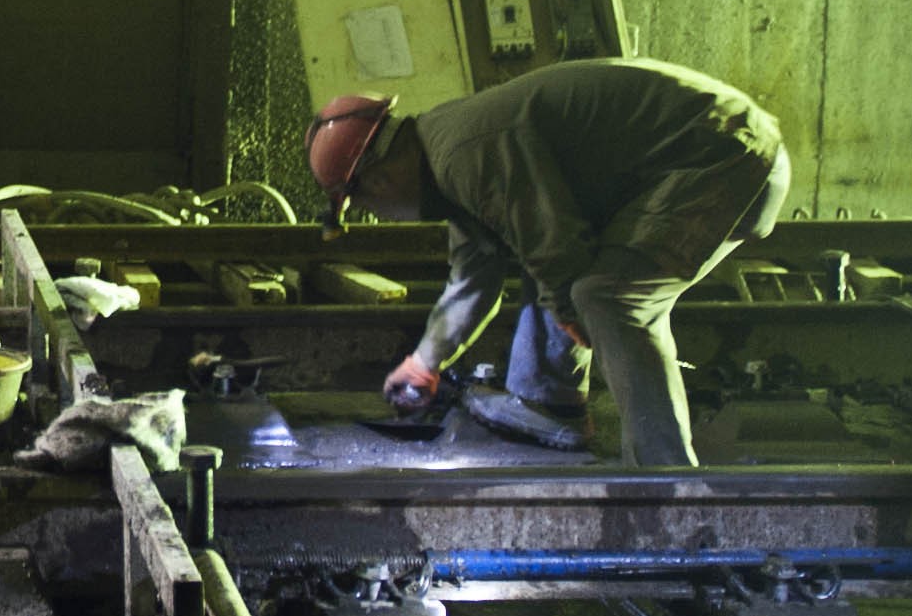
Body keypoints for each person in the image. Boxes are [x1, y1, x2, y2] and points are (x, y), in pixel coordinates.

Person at [308, 57, 786, 465]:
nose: (380, 215)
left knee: (607, 296)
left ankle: (665, 474)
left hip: (724, 154)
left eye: (363, 204)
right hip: (706, 153)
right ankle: (551, 407)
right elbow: (473, 279)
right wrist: (423, 363)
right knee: (564, 280)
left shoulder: (464, 155)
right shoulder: (446, 157)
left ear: (378, 179)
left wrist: (573, 314)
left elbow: (554, 244)